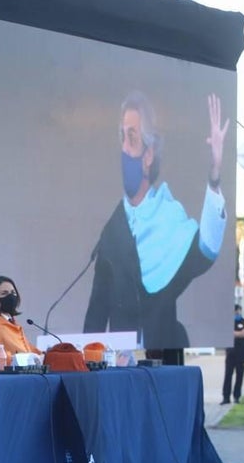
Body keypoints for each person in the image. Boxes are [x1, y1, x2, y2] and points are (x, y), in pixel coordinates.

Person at [84, 91, 228, 348]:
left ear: (148, 155)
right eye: (122, 137)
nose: (125, 149)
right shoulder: (112, 231)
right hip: (121, 369)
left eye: (132, 138)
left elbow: (205, 250)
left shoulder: (169, 218)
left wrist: (215, 174)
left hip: (163, 360)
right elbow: (96, 314)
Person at [0, 275, 42, 357]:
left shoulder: (12, 321)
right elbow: (14, 350)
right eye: (4, 293)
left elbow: (29, 349)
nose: (11, 297)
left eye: (13, 293)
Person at [221, 304, 244, 404]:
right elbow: (227, 332)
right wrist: (239, 333)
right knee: (228, 374)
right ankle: (226, 397)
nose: (236, 313)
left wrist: (234, 333)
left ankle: (237, 396)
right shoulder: (228, 322)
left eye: (238, 311)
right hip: (230, 352)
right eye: (235, 311)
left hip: (241, 352)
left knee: (239, 375)